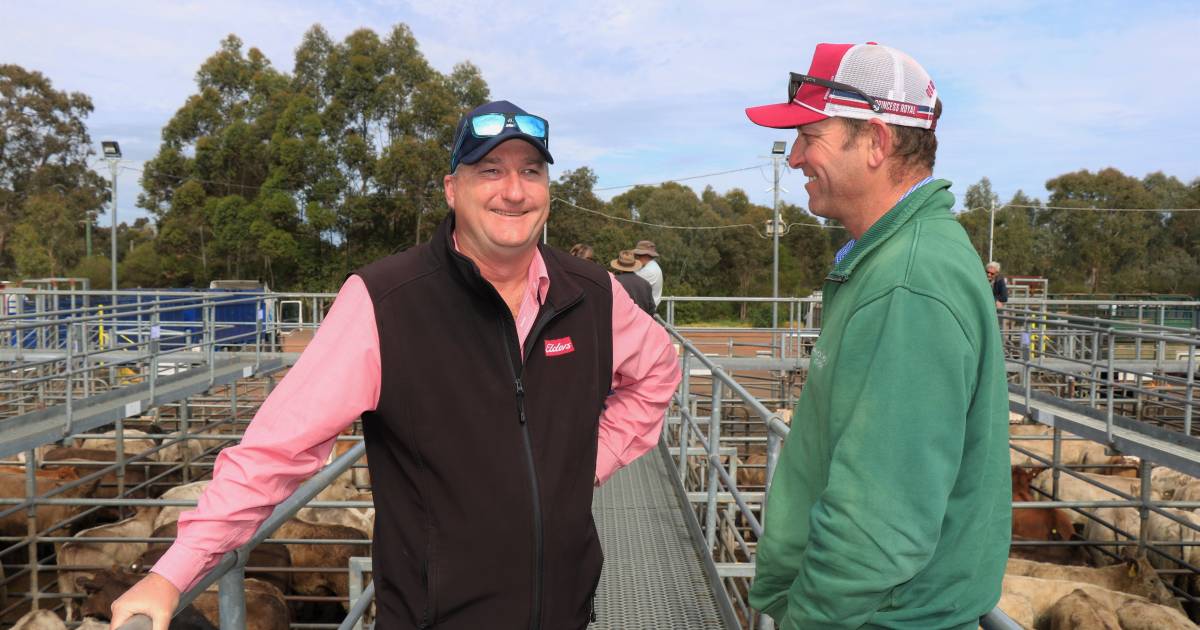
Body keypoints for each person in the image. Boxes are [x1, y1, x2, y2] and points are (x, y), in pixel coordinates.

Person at [110, 100, 681, 630]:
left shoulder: (591, 294)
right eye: (490, 171)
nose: (514, 190)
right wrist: (172, 573)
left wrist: (588, 462)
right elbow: (275, 449)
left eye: (531, 171)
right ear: (452, 189)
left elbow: (658, 372)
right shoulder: (385, 302)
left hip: (566, 609)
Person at [743, 42, 1010, 628]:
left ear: (877, 143)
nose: (793, 160)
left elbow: (878, 524)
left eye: (810, 137)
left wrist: (806, 620)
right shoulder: (899, 261)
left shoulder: (907, 282)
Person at [610, 250, 656, 315]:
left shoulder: (614, 282)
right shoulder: (645, 283)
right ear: (634, 265)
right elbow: (651, 310)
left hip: (622, 322)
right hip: (641, 322)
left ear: (618, 266)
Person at [631, 240, 663, 308]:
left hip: (645, 310)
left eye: (638, 255)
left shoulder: (649, 270)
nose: (636, 257)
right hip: (646, 308)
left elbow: (630, 283)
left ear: (645, 255)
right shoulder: (650, 267)